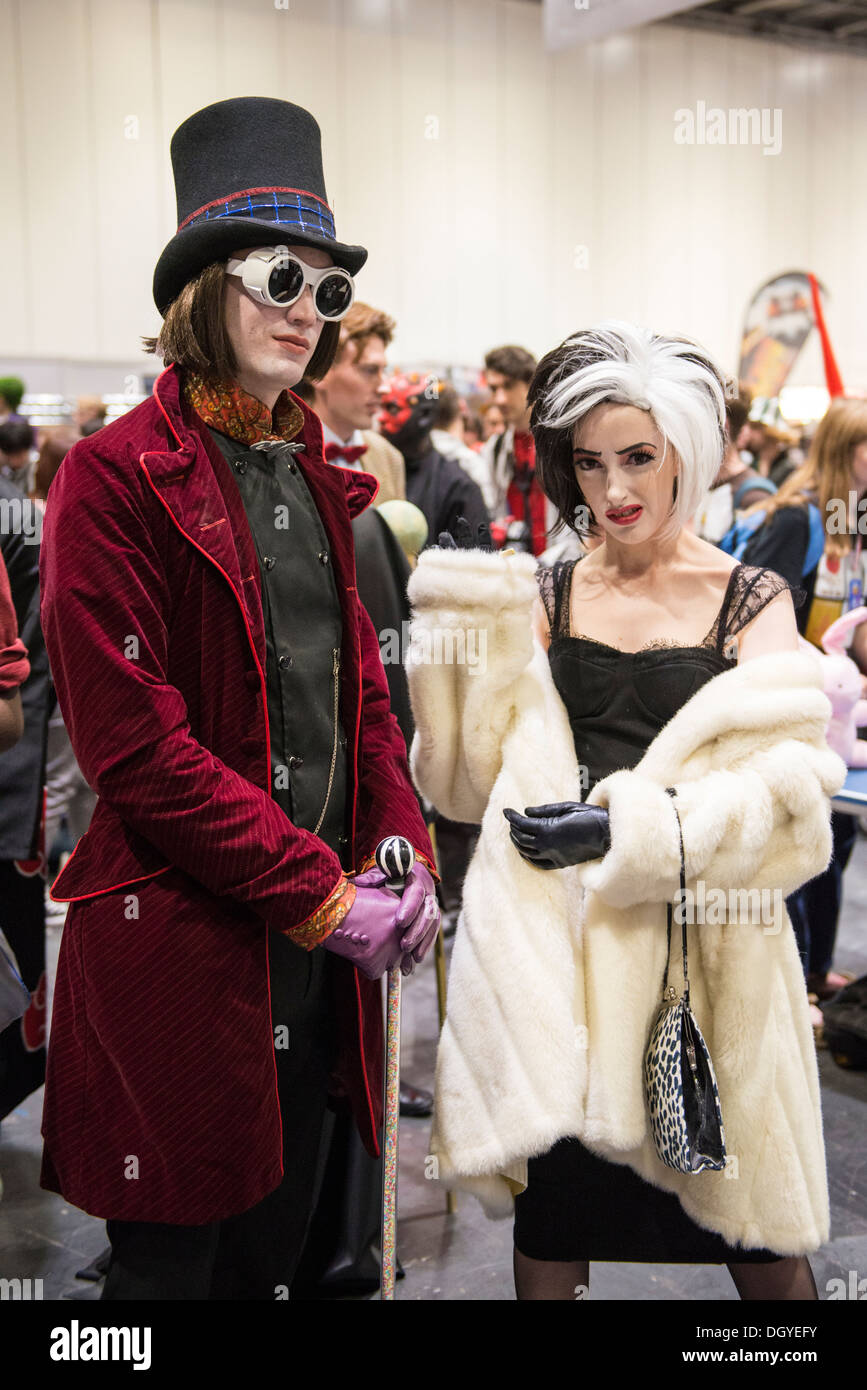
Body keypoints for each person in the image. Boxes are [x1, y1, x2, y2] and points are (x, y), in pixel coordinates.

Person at [38, 95, 440, 1301]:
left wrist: (399, 843)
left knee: (283, 1254)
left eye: (327, 289)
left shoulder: (321, 473)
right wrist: (321, 893)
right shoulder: (110, 481)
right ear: (202, 284)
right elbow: (135, 750)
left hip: (314, 967)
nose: (305, 310)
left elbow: (362, 696)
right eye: (279, 273)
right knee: (165, 1277)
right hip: (182, 939)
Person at [405, 321, 844, 1300]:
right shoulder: (549, 593)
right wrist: (451, 643)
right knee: (556, 1221)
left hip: (715, 964)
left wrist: (631, 829)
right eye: (590, 463)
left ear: (687, 450)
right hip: (574, 971)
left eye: (638, 457)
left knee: (760, 1237)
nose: (612, 490)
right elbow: (464, 783)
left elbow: (792, 806)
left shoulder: (752, 597)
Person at [740, 397, 867, 1020]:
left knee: (837, 835)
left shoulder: (856, 519)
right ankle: (791, 978)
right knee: (796, 843)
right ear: (847, 451)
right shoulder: (797, 517)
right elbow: (759, 612)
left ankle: (813, 970)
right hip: (790, 707)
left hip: (841, 708)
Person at [306, 301, 406, 502]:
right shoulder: (283, 452)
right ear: (321, 372)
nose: (384, 387)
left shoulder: (389, 458)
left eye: (383, 370)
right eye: (369, 370)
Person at [378, 371, 488, 551]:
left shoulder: (458, 486)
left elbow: (475, 565)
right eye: (380, 408)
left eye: (392, 408)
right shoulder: (368, 467)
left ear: (425, 415)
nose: (381, 418)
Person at [480, 344, 553, 554]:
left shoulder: (562, 439)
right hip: (517, 570)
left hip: (560, 566)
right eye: (494, 389)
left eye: (508, 386)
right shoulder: (496, 448)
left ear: (531, 384)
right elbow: (496, 510)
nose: (500, 399)